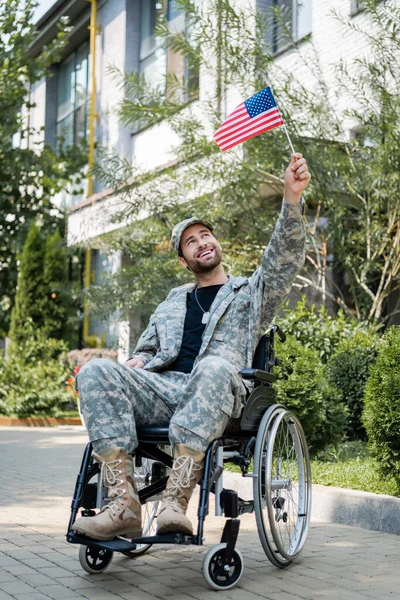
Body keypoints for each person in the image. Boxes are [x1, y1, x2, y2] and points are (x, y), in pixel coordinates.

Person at [72, 152, 311, 542]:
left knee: (213, 366)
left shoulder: (250, 293)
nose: (201, 242)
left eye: (205, 235)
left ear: (216, 244)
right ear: (184, 260)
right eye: (190, 241)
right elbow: (148, 350)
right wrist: (138, 360)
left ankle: (174, 503)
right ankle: (123, 506)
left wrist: (291, 198)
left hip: (222, 395)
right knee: (96, 370)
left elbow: (282, 260)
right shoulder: (171, 302)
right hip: (167, 390)